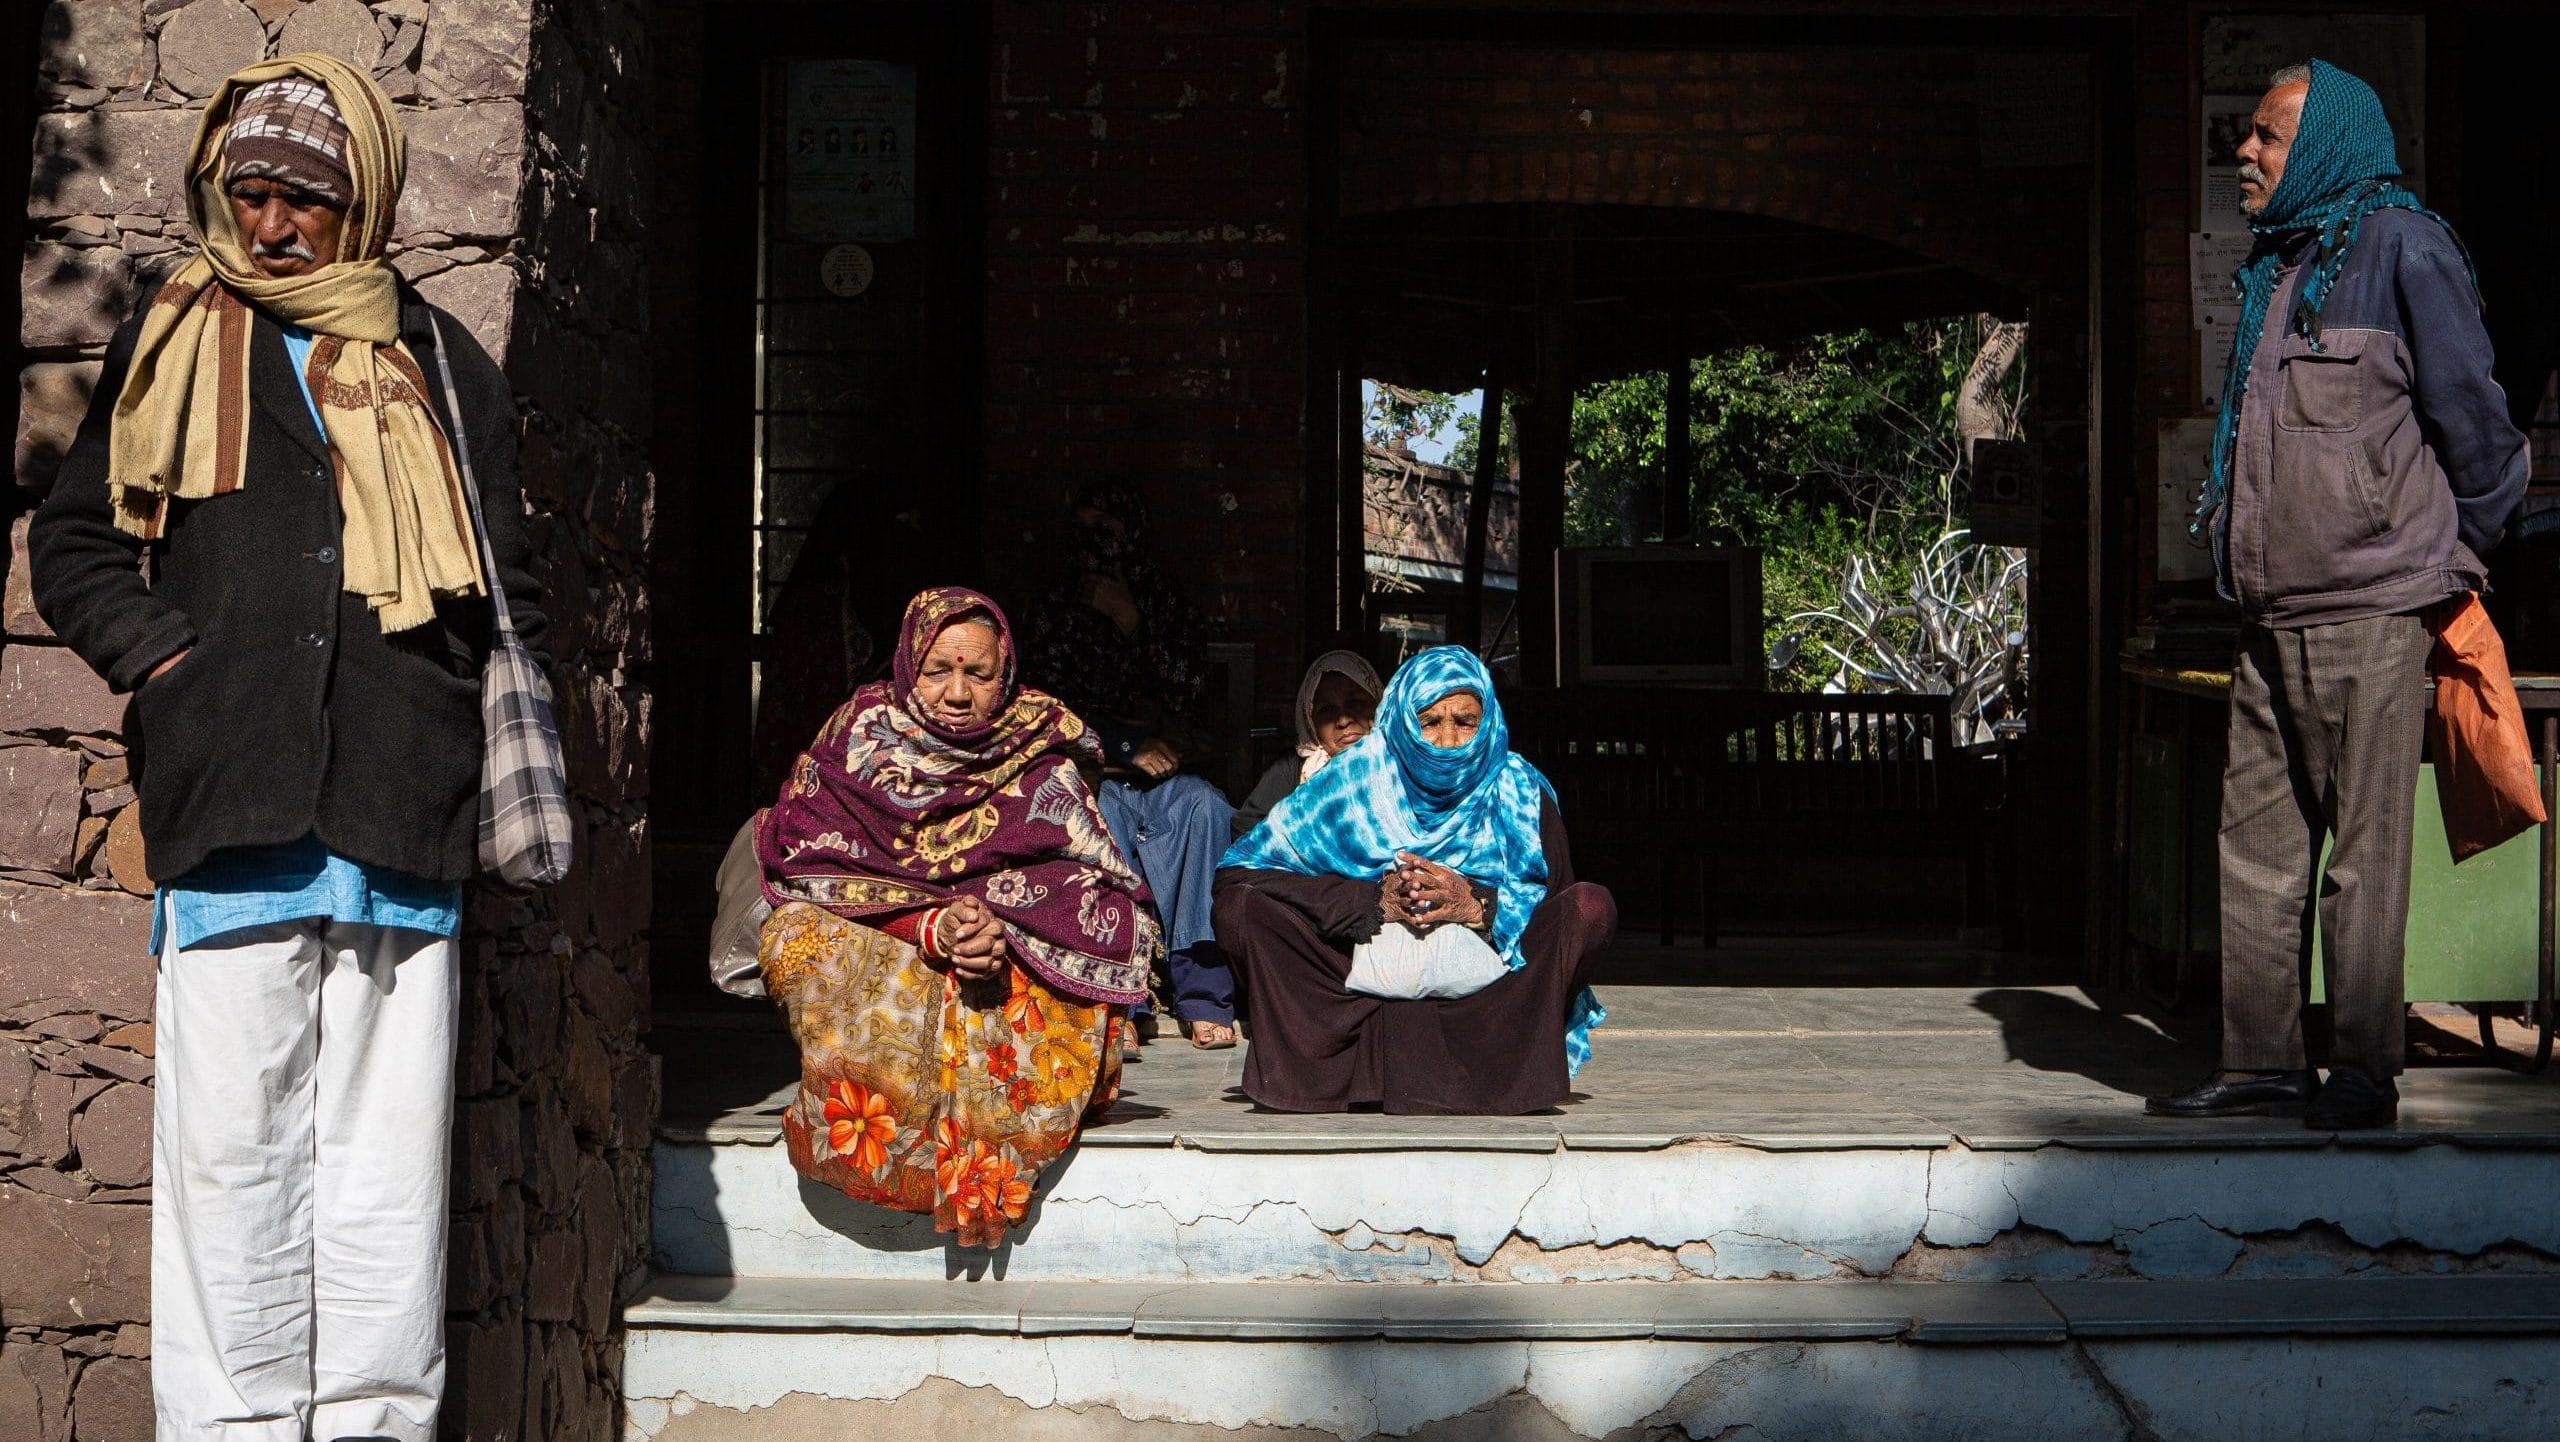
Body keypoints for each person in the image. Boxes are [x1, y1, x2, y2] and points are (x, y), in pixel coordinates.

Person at [27, 57, 547, 1440]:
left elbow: (509, 582)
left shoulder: (444, 364)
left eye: (304, 200)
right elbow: (76, 542)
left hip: (399, 806)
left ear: (360, 202)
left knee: (383, 1177)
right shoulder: (178, 338)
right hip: (233, 795)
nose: (270, 225)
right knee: (232, 1161)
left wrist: (445, 702)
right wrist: (170, 663)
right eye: (248, 194)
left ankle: (376, 1424)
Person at [2147, 61, 2529, 1131]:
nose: (2245, 154)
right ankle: (2263, 1062)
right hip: (2267, 614)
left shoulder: (2405, 246)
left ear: (2321, 146)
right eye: (2249, 137)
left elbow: (2480, 430)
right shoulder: (2277, 267)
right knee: (2256, 848)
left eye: (2266, 137)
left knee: (2362, 856)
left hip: (2371, 606)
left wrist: (2444, 562)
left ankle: (2361, 1067)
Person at [756, 587, 1158, 1247]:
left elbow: (1093, 876)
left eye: (978, 672)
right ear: (910, 665)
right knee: (797, 935)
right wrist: (929, 927)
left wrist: (1006, 920)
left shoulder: (1037, 738)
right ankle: (887, 1138)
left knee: (1066, 950)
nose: (957, 692)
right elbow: (805, 861)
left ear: (1006, 673)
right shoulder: (858, 734)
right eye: (939, 670)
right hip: (888, 933)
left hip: (1006, 937)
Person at [1214, 646, 1614, 1114]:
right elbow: (1241, 871)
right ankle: (1335, 1069)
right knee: (1240, 909)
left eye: (1465, 722)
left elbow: (1551, 904)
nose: (1446, 742)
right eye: (1429, 721)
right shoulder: (1354, 779)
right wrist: (1371, 900)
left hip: (1489, 1000)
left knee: (1591, 907)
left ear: (1487, 723)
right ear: (1402, 720)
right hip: (1355, 985)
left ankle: (1496, 1067)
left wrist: (1476, 904)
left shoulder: (1519, 789)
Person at [1023, 482, 1240, 1050]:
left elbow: (1187, 687)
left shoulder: (1161, 602)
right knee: (1099, 821)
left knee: (1206, 807)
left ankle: (1200, 993)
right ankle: (1124, 997)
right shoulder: (1052, 608)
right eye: (1084, 528)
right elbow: (1042, 706)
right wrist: (1120, 746)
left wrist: (1131, 623)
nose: (1095, 545)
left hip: (1168, 773)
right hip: (1093, 771)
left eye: (1107, 531)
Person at [1230, 648, 1384, 840]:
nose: (1343, 720)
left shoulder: (1402, 762)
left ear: (1378, 705)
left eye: (1356, 703)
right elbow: (1245, 828)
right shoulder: (1293, 769)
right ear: (1311, 722)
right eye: (1326, 709)